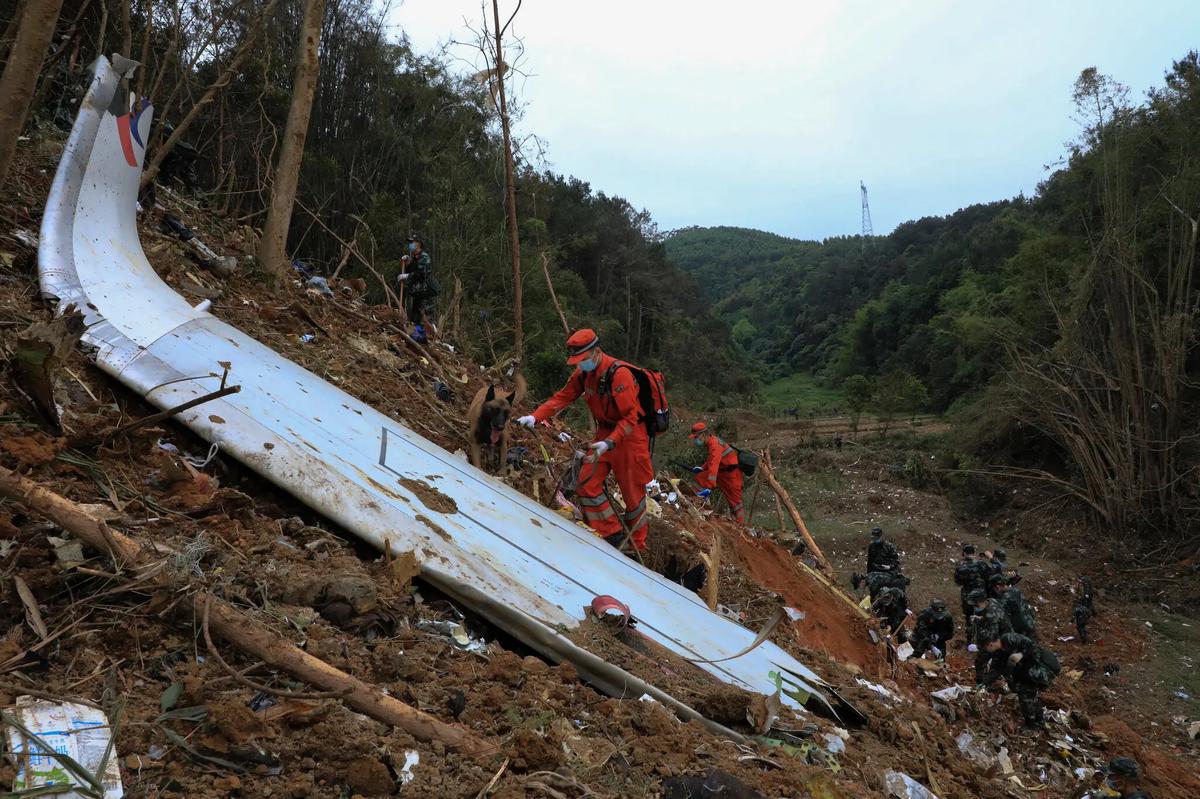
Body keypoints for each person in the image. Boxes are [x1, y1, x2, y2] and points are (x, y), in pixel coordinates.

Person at [517, 329, 654, 550]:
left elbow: (630, 417)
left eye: (583, 359)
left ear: (596, 352)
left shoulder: (620, 375)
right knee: (586, 482)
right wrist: (535, 416)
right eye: (577, 361)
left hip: (630, 436)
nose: (580, 364)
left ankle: (637, 546)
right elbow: (562, 397)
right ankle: (612, 534)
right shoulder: (582, 374)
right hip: (604, 433)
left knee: (633, 496)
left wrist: (611, 442)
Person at [980, 631, 1059, 729]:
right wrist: (983, 683)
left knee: (1025, 693)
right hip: (1027, 671)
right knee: (1026, 693)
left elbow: (1033, 645)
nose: (987, 651)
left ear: (990, 644)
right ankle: (1039, 721)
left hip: (1042, 667)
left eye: (986, 648)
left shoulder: (1010, 638)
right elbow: (996, 669)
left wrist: (1021, 654)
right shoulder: (999, 653)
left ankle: (1032, 724)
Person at [687, 422, 744, 523]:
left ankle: (742, 526)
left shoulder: (715, 445)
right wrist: (702, 468)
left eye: (696, 437)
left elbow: (714, 466)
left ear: (703, 435)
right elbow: (711, 460)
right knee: (699, 478)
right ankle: (697, 503)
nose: (695, 440)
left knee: (736, 504)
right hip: (723, 474)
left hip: (731, 476)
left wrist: (710, 486)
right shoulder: (711, 442)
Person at [969, 587, 1013, 685]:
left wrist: (978, 646)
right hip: (1000, 638)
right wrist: (980, 619)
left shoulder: (991, 615)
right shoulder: (991, 602)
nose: (974, 607)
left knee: (994, 666)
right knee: (982, 661)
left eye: (976, 604)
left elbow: (990, 636)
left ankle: (984, 686)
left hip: (1001, 643)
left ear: (982, 601)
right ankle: (982, 682)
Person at [396, 233, 438, 330]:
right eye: (410, 243)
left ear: (419, 243)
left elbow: (421, 273)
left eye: (412, 242)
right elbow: (411, 269)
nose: (410, 244)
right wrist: (408, 262)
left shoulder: (424, 257)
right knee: (415, 321)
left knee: (427, 320)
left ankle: (433, 340)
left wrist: (407, 276)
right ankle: (417, 339)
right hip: (417, 295)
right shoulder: (415, 258)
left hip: (425, 295)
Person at [954, 544, 991, 632]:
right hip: (981, 596)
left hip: (967, 597)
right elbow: (989, 578)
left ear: (964, 553)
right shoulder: (982, 564)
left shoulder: (960, 567)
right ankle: (982, 638)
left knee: (969, 618)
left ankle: (970, 640)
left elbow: (958, 582)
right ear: (974, 553)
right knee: (983, 617)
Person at [989, 573, 1037, 639]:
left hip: (1020, 629)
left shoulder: (1004, 600)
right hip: (1030, 622)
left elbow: (1005, 619)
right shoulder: (1016, 590)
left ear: (997, 587)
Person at [1074, 575, 1095, 644]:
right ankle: (1084, 638)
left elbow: (1086, 589)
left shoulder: (1085, 582)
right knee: (1082, 628)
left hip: (1081, 619)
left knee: (1081, 628)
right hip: (1084, 618)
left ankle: (1084, 639)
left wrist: (1086, 595)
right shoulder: (1087, 580)